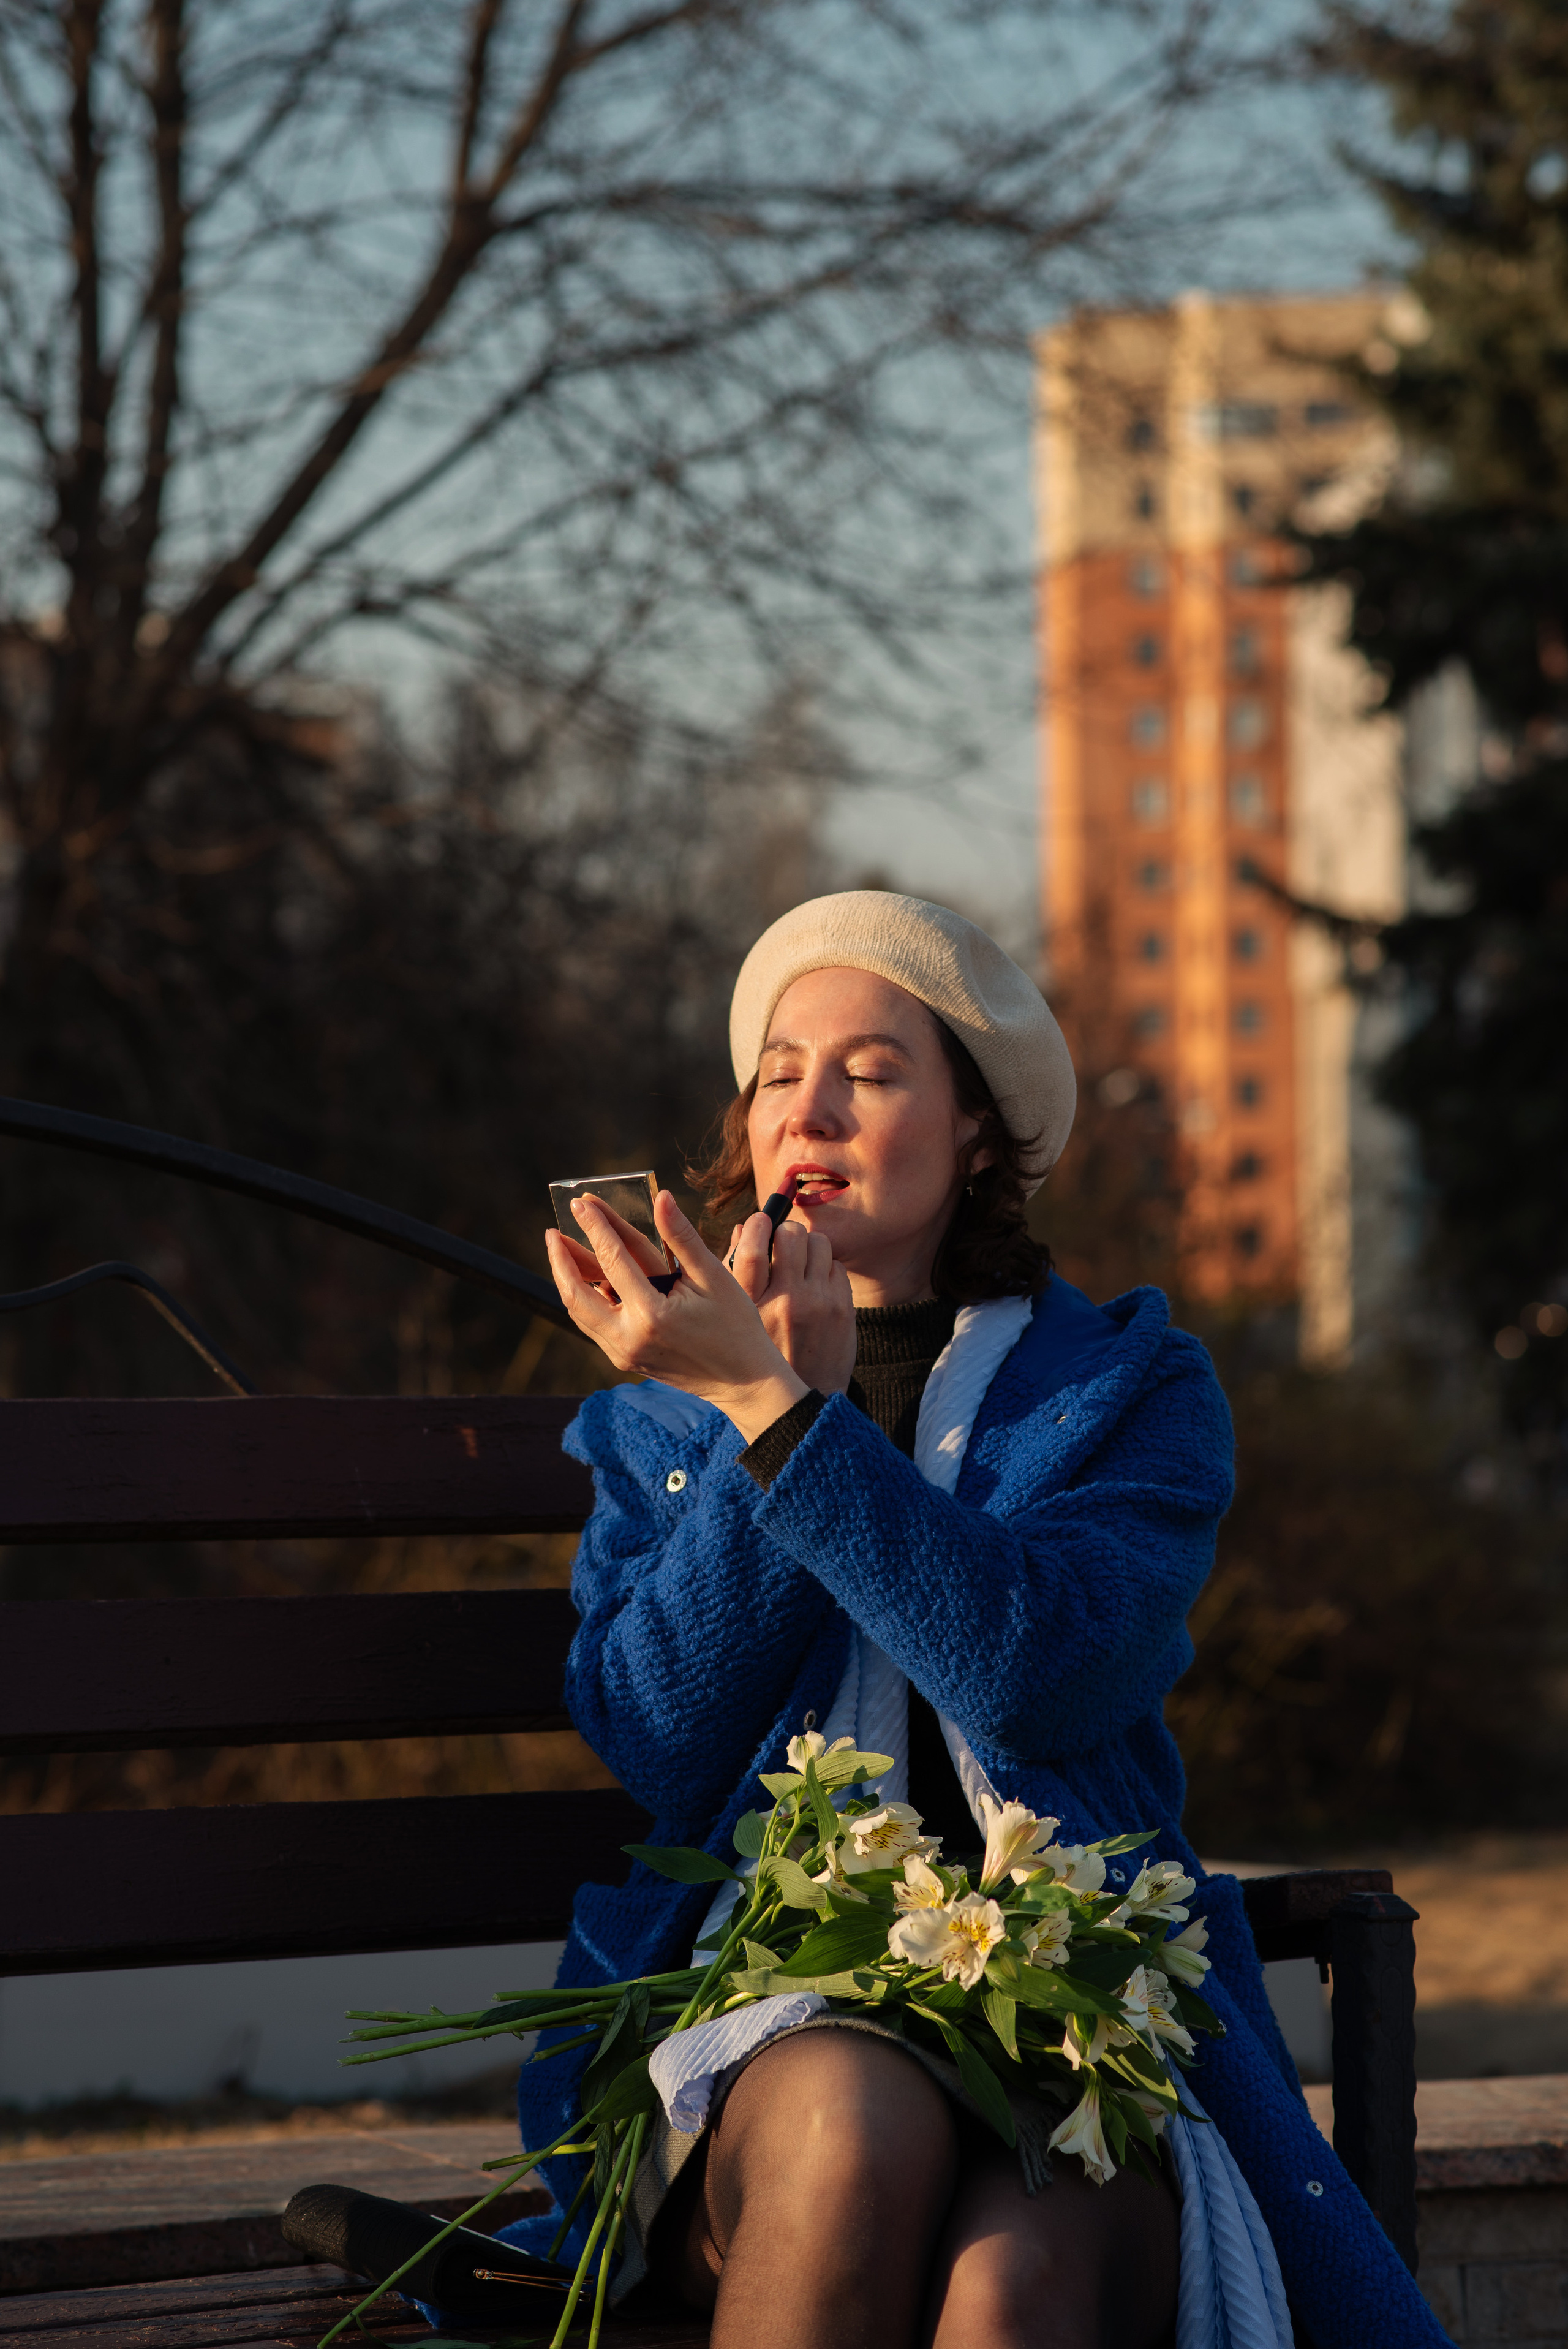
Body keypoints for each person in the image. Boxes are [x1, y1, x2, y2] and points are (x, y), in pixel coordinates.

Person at [500, 893, 1449, 2349]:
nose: (805, 1108)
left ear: (975, 1137)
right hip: (761, 2033)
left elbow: (1038, 1677)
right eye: (776, 1076)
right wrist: (746, 1411)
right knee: (847, 2124)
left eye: (870, 1074)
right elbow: (656, 1742)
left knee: (1011, 2285)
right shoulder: (654, 1418)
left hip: (1070, 2023)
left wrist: (785, 1418)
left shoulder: (1125, 1389)